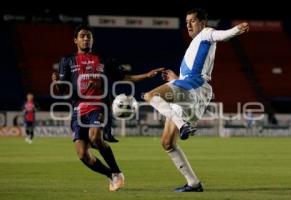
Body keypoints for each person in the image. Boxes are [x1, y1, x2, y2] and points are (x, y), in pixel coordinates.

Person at [144, 8, 249, 192]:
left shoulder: (206, 34)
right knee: (167, 143)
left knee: (150, 96)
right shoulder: (194, 45)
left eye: (192, 21)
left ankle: (184, 125)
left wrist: (237, 29)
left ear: (203, 23)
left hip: (194, 87)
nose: (189, 25)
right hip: (191, 90)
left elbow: (222, 35)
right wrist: (175, 79)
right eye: (186, 22)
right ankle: (194, 183)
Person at [51, 24, 163, 192]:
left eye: (89, 36)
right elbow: (61, 89)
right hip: (78, 109)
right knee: (82, 155)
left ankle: (117, 171)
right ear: (75, 40)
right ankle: (111, 175)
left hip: (99, 105)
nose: (86, 38)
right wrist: (55, 82)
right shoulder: (67, 61)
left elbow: (124, 77)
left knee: (95, 137)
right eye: (82, 36)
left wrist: (146, 75)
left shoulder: (103, 58)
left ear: (93, 39)